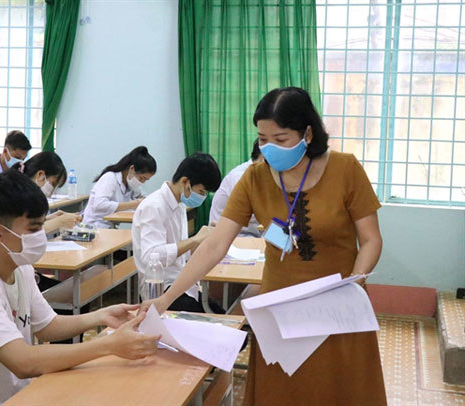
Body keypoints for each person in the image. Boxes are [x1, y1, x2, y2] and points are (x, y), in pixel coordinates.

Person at [143, 87, 386, 405]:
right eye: (262, 139)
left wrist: (355, 283)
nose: (269, 148)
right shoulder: (254, 179)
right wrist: (166, 299)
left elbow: (371, 239)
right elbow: (214, 246)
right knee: (284, 391)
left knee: (338, 389)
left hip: (336, 308)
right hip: (279, 311)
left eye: (280, 139)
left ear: (307, 134)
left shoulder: (345, 169)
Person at [0, 170, 159, 406]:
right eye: (34, 228)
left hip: (21, 396)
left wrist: (101, 316)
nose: (41, 236)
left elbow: (48, 326)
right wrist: (107, 345)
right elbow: (24, 362)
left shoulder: (20, 267)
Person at [132, 152, 224, 313]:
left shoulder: (179, 204)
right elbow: (150, 257)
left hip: (180, 283)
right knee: (219, 325)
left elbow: (182, 255)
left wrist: (209, 238)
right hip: (161, 289)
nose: (202, 197)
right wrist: (195, 240)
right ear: (185, 181)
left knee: (225, 319)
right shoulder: (154, 206)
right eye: (201, 192)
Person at [83, 146, 156, 228]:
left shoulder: (130, 182)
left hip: (110, 226)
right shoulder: (110, 178)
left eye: (146, 180)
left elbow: (144, 198)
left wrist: (145, 201)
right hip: (94, 226)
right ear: (132, 169)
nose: (142, 182)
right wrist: (133, 204)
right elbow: (99, 204)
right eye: (142, 178)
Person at [12, 151, 81, 233]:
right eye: (53, 184)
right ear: (40, 175)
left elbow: (28, 224)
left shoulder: (24, 192)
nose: (51, 193)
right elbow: (22, 234)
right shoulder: (15, 194)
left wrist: (50, 218)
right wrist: (60, 221)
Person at [209, 138, 264, 237]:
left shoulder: (262, 175)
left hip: (249, 235)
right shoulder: (239, 178)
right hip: (231, 237)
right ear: (263, 157)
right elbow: (260, 216)